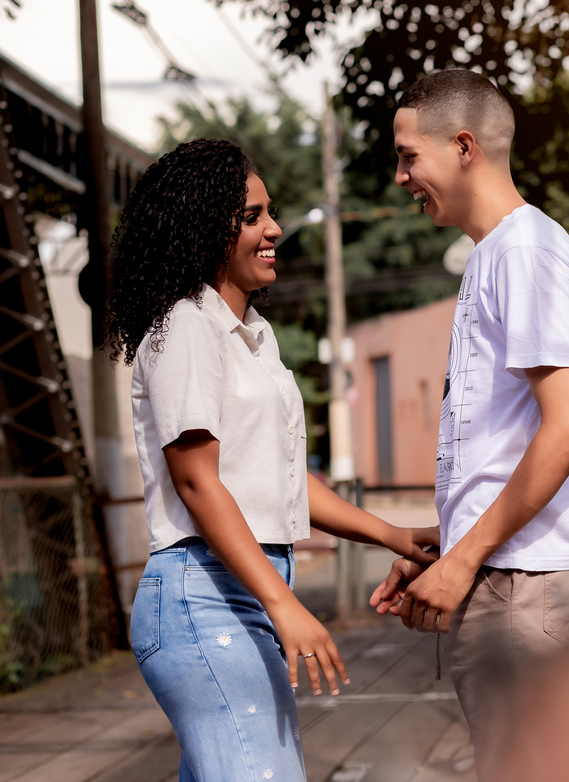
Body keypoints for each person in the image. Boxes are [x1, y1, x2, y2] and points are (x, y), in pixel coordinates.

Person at [106, 138, 439, 782]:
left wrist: (390, 534)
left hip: (241, 590)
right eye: (253, 217)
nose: (274, 229)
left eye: (271, 212)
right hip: (205, 597)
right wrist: (285, 606)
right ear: (207, 231)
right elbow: (199, 484)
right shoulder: (184, 329)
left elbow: (279, 479)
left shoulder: (254, 337)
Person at [369, 70, 569, 779]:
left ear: (464, 146)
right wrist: (447, 550)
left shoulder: (523, 253)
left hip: (521, 590)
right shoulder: (496, 254)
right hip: (511, 581)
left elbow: (568, 428)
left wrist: (466, 561)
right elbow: (507, 441)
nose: (402, 176)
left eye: (410, 155)